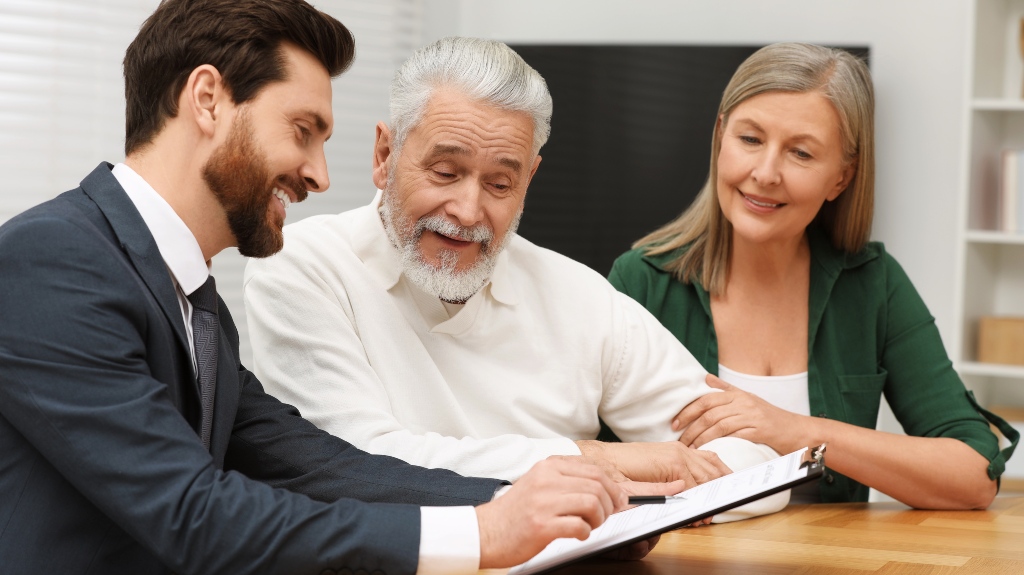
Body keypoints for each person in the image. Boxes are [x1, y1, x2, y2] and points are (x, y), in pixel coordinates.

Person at [0, 2, 660, 573]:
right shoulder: (51, 260)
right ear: (207, 100)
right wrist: (485, 531)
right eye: (303, 131)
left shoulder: (195, 302)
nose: (318, 174)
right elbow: (194, 513)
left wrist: (548, 511)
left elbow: (319, 466)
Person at [243, 36, 784, 520]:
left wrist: (638, 493)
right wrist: (591, 460)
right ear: (386, 155)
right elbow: (358, 467)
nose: (468, 210)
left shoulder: (578, 294)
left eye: (501, 183)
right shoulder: (301, 265)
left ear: (531, 178)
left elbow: (756, 462)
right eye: (445, 172)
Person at [609, 42, 1019, 508]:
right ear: (720, 136)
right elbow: (578, 460)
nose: (765, 173)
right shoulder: (640, 282)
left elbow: (974, 472)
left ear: (841, 178)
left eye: (800, 153)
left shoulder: (874, 285)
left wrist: (797, 430)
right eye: (750, 139)